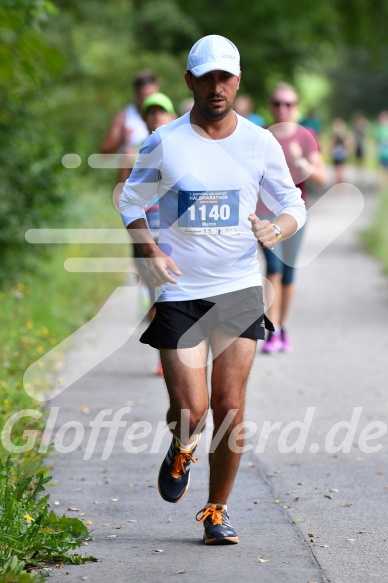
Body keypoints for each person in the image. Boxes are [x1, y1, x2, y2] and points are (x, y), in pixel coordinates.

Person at [119, 35, 306, 545]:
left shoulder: (259, 142)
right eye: (207, 76)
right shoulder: (165, 141)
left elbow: (293, 203)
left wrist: (278, 229)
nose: (217, 86)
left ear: (238, 80)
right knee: (192, 409)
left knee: (228, 404)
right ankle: (182, 444)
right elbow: (130, 202)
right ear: (189, 81)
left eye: (225, 76)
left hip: (240, 286)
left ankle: (216, 511)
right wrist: (150, 252)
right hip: (181, 289)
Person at [258, 83, 325, 354]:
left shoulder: (306, 137)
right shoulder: (261, 136)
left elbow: (321, 178)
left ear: (296, 106)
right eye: (277, 103)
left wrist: (300, 162)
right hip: (265, 213)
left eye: (288, 104)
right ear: (270, 106)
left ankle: (283, 327)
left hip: (295, 215)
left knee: (288, 272)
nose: (282, 108)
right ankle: (271, 330)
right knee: (273, 268)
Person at [132, 92, 176, 376]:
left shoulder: (182, 150)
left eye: (162, 111)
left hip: (172, 235)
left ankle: (176, 353)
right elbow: (123, 195)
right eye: (151, 112)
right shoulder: (135, 151)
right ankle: (164, 354)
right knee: (155, 297)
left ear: (171, 116)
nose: (156, 116)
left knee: (172, 296)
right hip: (146, 235)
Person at [100, 69, 160, 184]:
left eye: (153, 95)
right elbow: (104, 152)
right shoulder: (125, 116)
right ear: (137, 94)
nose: (149, 99)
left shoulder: (165, 114)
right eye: (144, 96)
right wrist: (122, 139)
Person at [330, 117, 351, 184]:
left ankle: (340, 181)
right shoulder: (335, 136)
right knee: (337, 168)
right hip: (337, 154)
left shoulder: (343, 136)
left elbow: (347, 144)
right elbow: (331, 144)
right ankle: (338, 181)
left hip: (341, 154)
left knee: (340, 168)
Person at [374, 111, 388, 183]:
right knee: (382, 169)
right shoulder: (378, 129)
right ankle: (382, 184)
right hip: (381, 152)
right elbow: (377, 142)